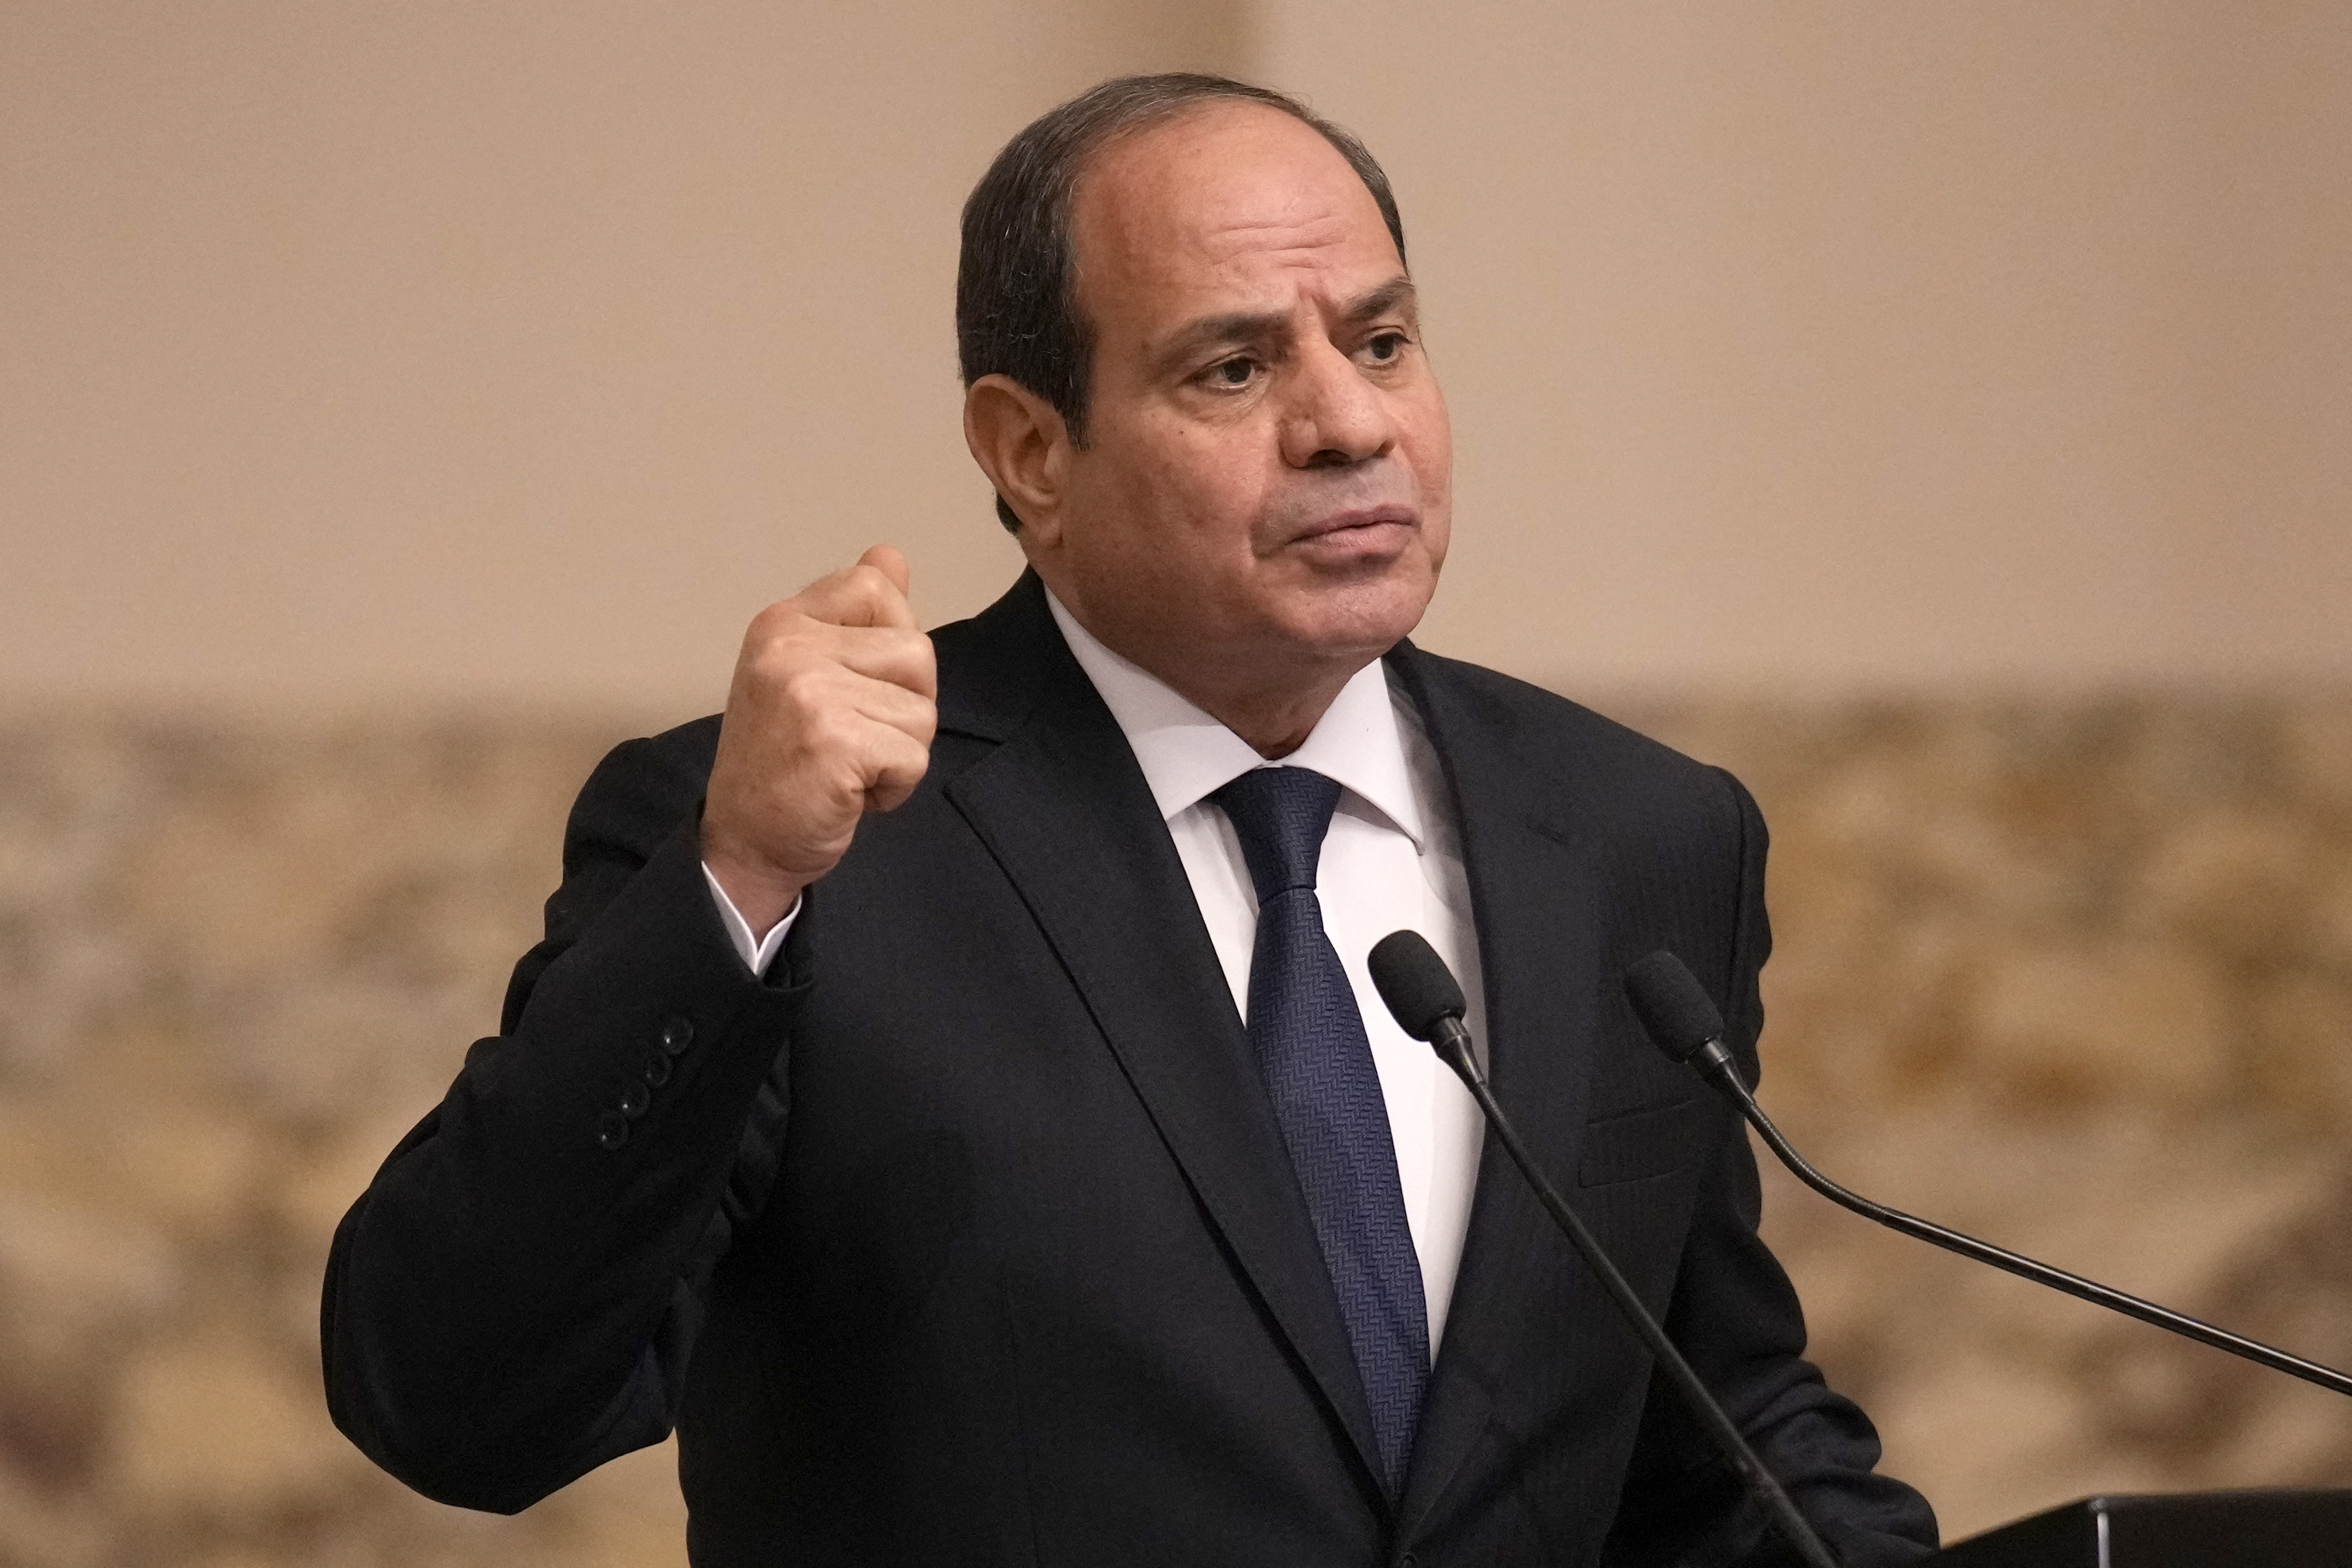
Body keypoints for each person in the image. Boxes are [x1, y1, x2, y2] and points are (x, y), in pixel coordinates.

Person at [323, 74, 1938, 1566]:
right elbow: (458, 1399)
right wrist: (738, 885)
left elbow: (1702, 1430)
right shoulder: (812, 844)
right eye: (1234, 368)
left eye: (1382, 342)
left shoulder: (1638, 836)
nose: (1351, 425)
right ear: (1032, 449)